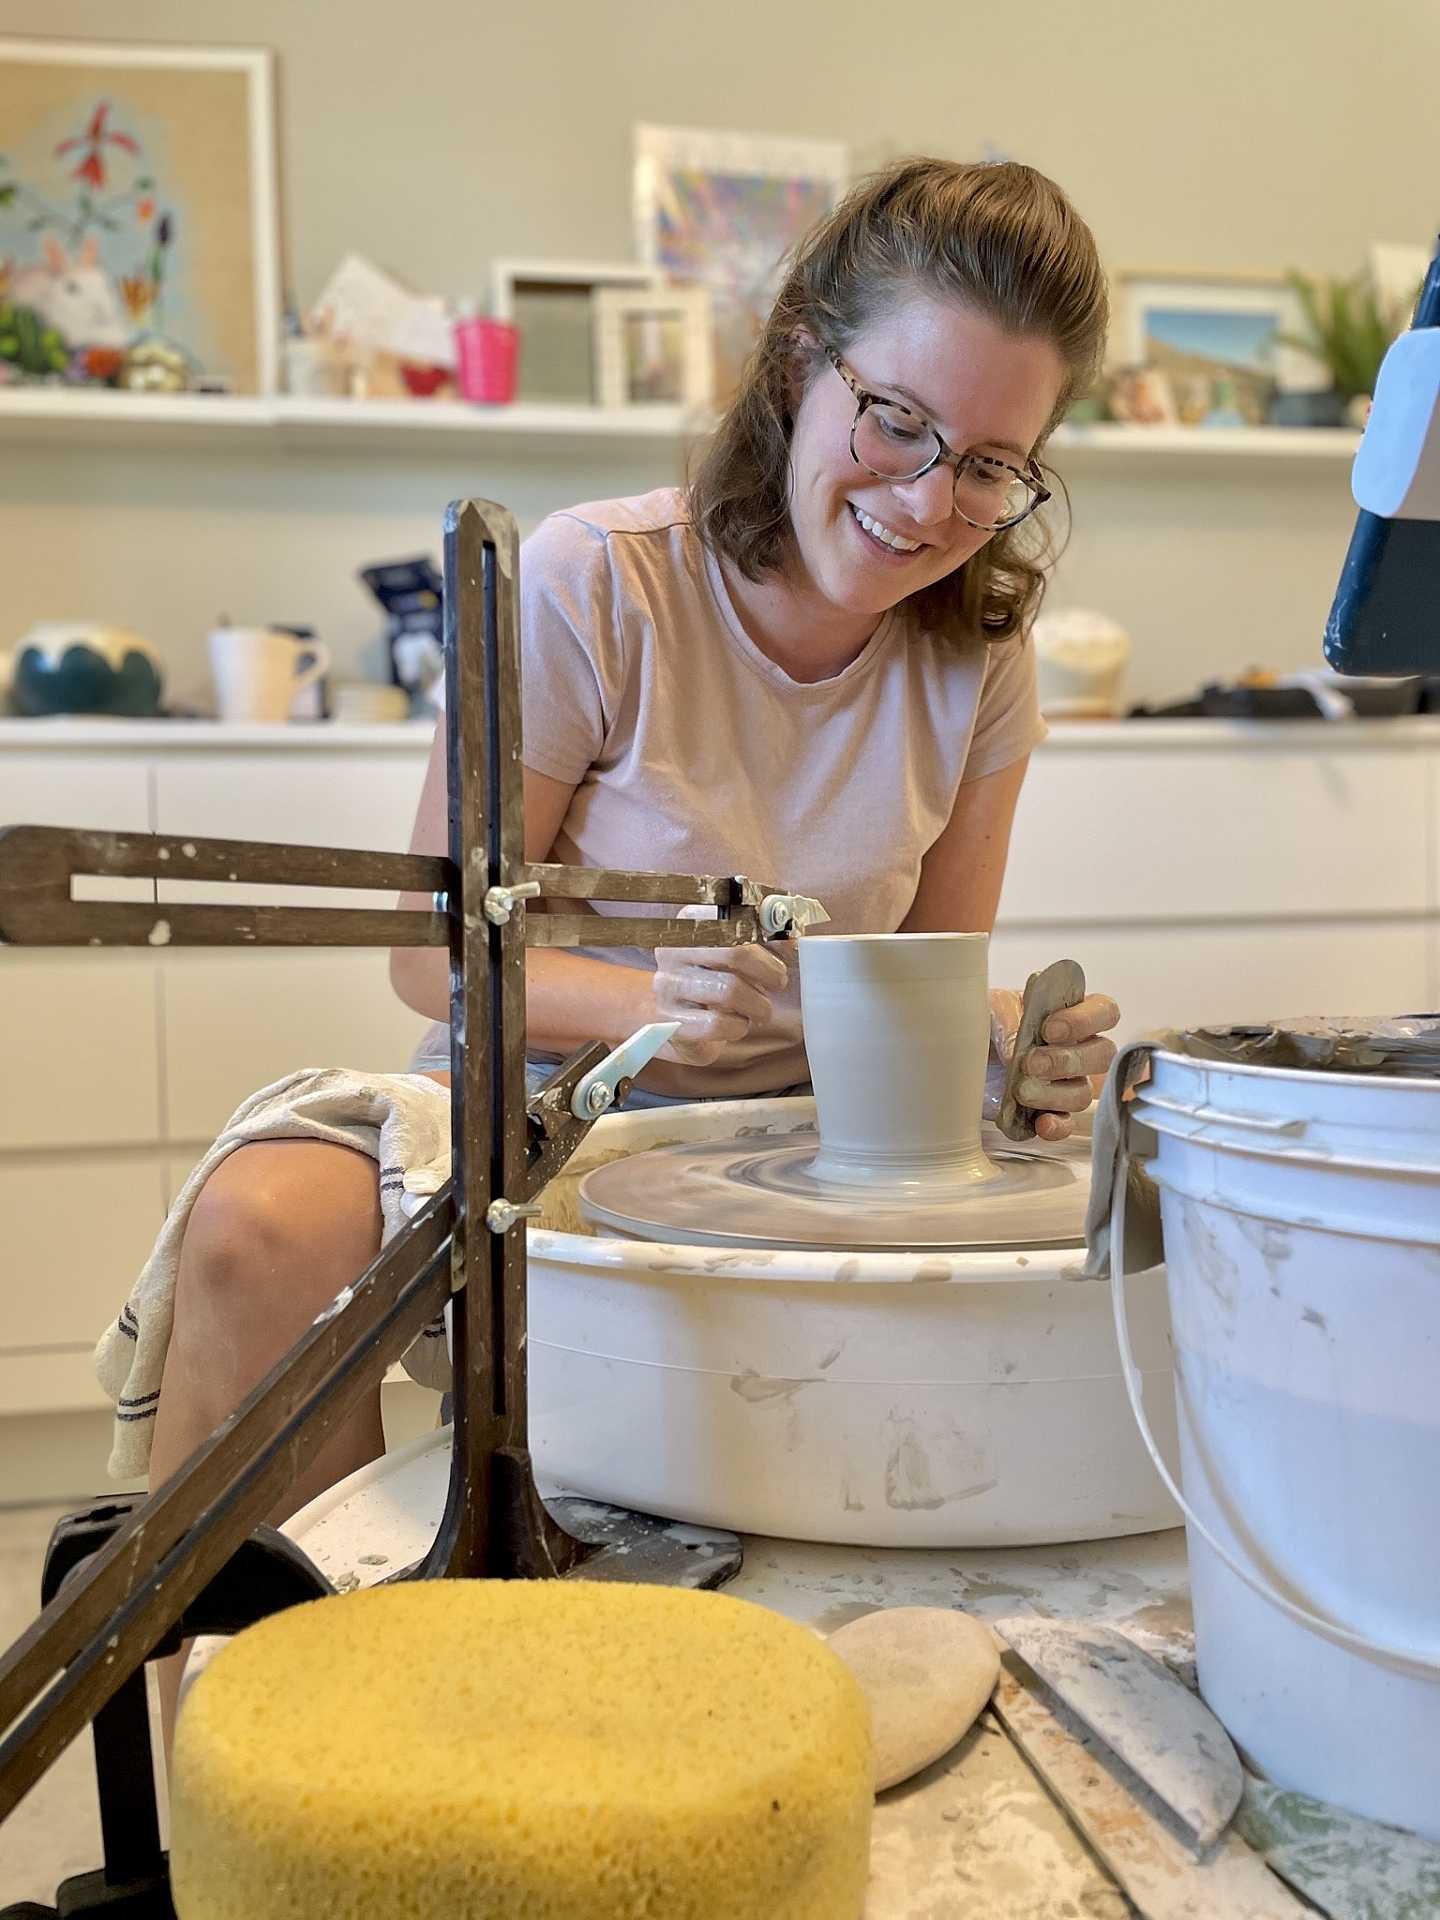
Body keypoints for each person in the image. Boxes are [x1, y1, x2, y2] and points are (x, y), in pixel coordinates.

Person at [143, 156, 1119, 1560]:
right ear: (801, 364)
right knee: (257, 1232)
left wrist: (1006, 1038)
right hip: (548, 1101)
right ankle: (285, 1678)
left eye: (987, 466)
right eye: (898, 423)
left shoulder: (982, 651)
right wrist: (653, 1003)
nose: (926, 503)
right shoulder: (596, 581)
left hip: (814, 1135)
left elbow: (928, 977)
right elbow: (430, 958)